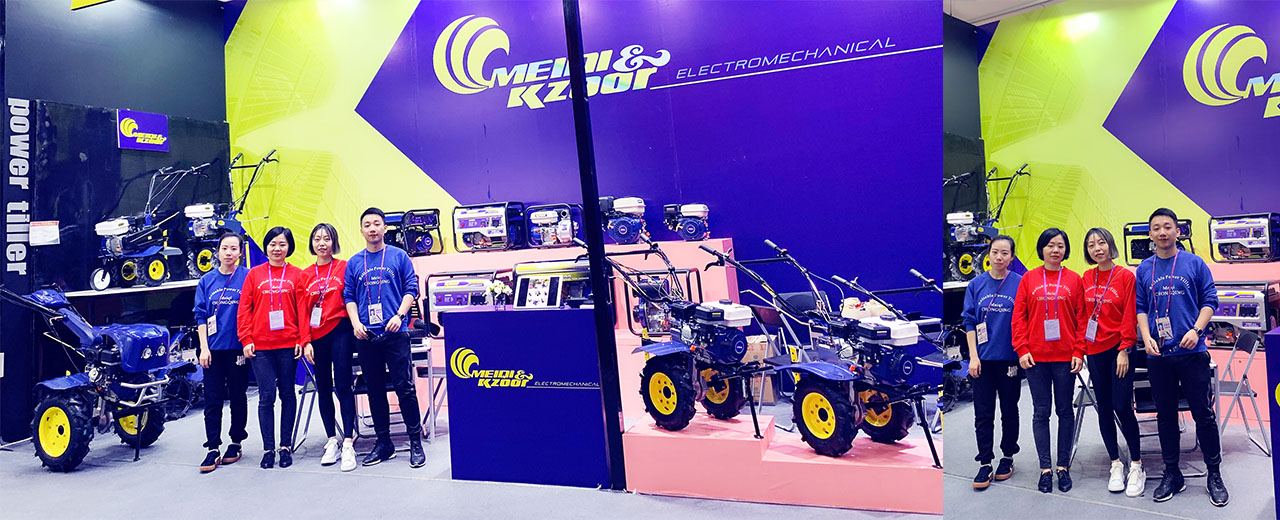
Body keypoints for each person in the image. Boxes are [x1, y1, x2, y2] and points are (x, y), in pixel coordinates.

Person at [1135, 208, 1226, 506]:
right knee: (1165, 417)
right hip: (1159, 355)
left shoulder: (1194, 263)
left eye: (1167, 227)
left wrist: (1197, 331)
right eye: (1156, 228)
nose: (1162, 232)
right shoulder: (1144, 269)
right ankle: (1172, 473)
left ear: (1177, 231)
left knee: (1203, 414)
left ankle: (1214, 474)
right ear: (1150, 234)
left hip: (1191, 353)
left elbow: (1210, 301)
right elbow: (1141, 308)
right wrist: (1146, 336)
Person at [344, 208, 425, 468]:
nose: (372, 228)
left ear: (384, 228)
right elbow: (349, 297)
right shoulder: (354, 262)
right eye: (367, 224)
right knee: (375, 390)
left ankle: (415, 441)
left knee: (404, 387)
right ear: (361, 230)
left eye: (377, 224)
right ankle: (384, 443)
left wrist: (399, 316)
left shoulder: (399, 256)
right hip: (367, 335)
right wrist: (356, 323)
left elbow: (411, 289)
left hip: (395, 332)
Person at [1012, 227, 1085, 494]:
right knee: (1041, 412)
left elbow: (1082, 319)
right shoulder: (1028, 279)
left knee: (1065, 411)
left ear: (1066, 250)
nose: (1055, 250)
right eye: (1050, 245)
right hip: (1036, 359)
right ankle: (1045, 469)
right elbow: (1018, 317)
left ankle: (1063, 467)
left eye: (1060, 246)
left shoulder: (1074, 279)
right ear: (1042, 249)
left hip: (1066, 358)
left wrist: (1079, 351)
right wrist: (1021, 349)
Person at [237, 226, 310, 469]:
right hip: (261, 348)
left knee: (287, 394)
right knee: (266, 396)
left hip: (289, 345)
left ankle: (285, 446)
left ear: (289, 247)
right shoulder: (254, 275)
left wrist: (302, 339)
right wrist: (246, 339)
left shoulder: (297, 275)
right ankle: (268, 449)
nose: (277, 249)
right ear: (266, 247)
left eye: (282, 244)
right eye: (272, 244)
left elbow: (303, 311)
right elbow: (244, 309)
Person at [1079, 227, 1144, 497]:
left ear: (1110, 245)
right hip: (1094, 351)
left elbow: (1130, 314)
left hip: (1119, 351)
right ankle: (1116, 464)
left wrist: (1125, 348)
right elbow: (1082, 316)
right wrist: (1082, 349)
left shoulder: (1125, 276)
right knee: (1104, 409)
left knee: (1122, 406)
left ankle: (1137, 465)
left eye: (1101, 243)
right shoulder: (1086, 277)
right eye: (1091, 245)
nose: (1097, 249)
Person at [963, 235, 1023, 490]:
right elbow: (969, 322)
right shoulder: (976, 285)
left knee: (1009, 411)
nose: (999, 257)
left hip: (1010, 359)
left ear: (1011, 257)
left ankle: (1008, 457)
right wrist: (973, 357)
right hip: (983, 361)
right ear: (988, 254)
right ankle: (985, 461)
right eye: (995, 252)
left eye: (1005, 253)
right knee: (983, 413)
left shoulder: (1019, 283)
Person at [300, 223, 358, 472]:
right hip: (316, 336)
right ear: (312, 243)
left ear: (334, 242)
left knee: (343, 385)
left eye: (326, 238)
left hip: (340, 331)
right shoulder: (304, 275)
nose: (321, 243)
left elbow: (352, 298)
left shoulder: (344, 267)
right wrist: (305, 341)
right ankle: (332, 440)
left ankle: (348, 443)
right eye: (317, 239)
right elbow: (302, 312)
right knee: (323, 388)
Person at [194, 232, 250, 473]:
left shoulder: (247, 277)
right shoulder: (206, 281)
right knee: (213, 399)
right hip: (213, 351)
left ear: (240, 252)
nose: (229, 253)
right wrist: (204, 348)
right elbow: (201, 316)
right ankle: (213, 447)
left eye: (234, 248)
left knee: (238, 396)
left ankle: (236, 442)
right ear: (217, 252)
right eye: (224, 248)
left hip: (238, 348)